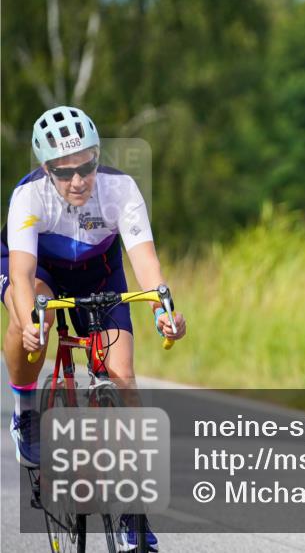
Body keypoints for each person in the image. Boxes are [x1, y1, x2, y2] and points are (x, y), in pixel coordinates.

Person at [2, 106, 187, 551]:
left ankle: (130, 516)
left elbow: (146, 263)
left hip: (99, 274)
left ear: (98, 157)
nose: (78, 180)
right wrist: (30, 322)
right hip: (40, 271)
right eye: (64, 172)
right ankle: (25, 410)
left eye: (86, 166)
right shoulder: (28, 197)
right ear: (46, 169)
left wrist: (163, 311)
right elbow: (22, 276)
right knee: (34, 320)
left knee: (122, 380)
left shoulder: (120, 189)